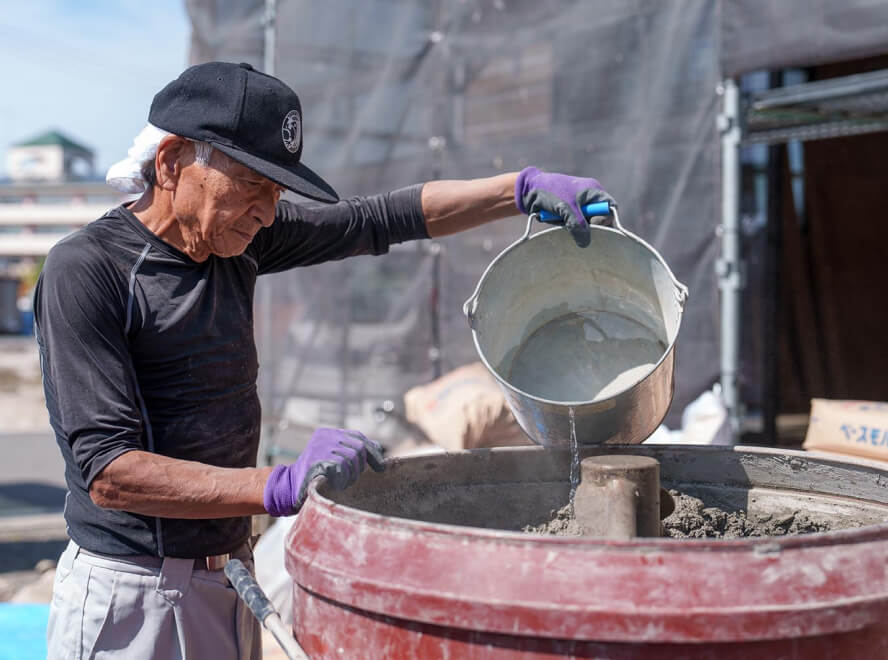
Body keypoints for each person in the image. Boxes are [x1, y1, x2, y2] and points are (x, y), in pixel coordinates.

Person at [34, 61, 613, 658]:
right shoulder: (89, 270)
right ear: (171, 161)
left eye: (276, 193)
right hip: (132, 593)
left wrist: (517, 190)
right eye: (252, 184)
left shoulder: (237, 243)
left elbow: (379, 218)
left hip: (227, 574)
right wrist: (278, 484)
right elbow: (110, 472)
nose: (266, 211)